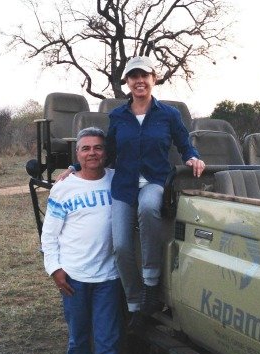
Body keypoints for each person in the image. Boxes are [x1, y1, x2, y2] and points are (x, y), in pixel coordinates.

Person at [59, 55, 205, 322]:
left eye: (144, 76)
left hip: (155, 181)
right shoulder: (118, 116)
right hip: (124, 185)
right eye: (133, 76)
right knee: (121, 245)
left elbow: (185, 145)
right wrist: (74, 167)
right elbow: (109, 150)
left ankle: (151, 281)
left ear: (154, 79)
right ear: (127, 82)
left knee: (150, 207)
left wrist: (192, 157)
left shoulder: (168, 115)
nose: (139, 81)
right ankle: (135, 303)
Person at [41, 127, 122, 354]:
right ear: (77, 154)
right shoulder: (63, 188)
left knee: (107, 343)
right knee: (79, 341)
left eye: (98, 147)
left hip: (108, 279)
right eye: (85, 148)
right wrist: (54, 269)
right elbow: (49, 235)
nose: (92, 153)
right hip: (74, 278)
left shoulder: (117, 181)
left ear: (106, 152)